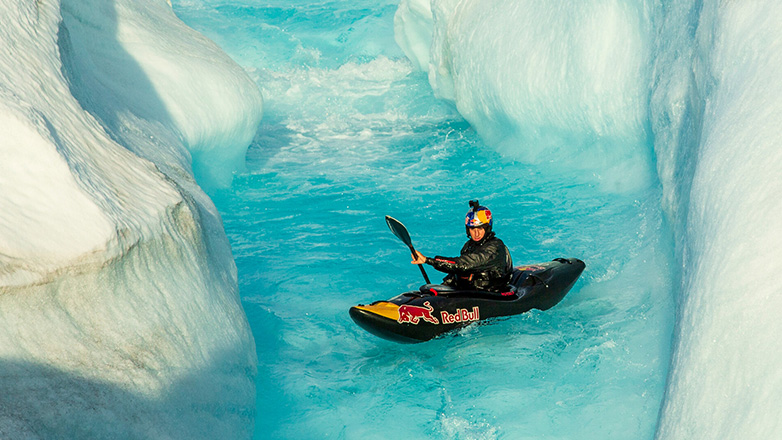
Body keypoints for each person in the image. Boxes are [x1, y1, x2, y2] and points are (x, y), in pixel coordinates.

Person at [412, 200, 513, 292]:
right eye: (473, 229)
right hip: (472, 291)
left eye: (480, 228)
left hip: (492, 294)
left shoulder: (494, 247)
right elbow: (457, 271)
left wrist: (427, 260)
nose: (476, 233)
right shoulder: (469, 246)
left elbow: (463, 265)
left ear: (487, 228)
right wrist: (441, 288)